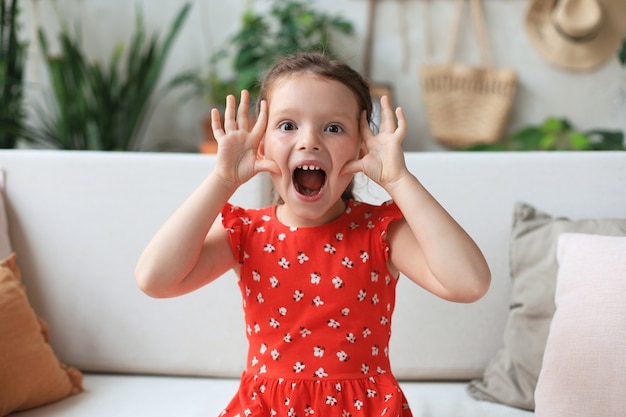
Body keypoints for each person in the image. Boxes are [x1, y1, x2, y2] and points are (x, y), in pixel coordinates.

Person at [135, 52, 491, 416]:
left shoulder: (379, 232)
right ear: (261, 144)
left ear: (361, 147)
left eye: (333, 128)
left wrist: (399, 180)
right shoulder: (245, 233)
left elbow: (470, 283)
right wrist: (221, 180)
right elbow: (154, 279)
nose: (309, 141)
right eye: (287, 125)